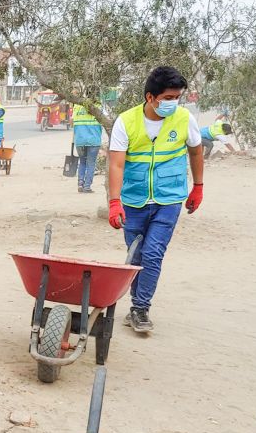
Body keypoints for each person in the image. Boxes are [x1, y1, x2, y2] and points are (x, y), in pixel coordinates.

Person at [107, 66, 204, 333]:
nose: (174, 103)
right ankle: (137, 304)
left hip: (169, 199)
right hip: (134, 201)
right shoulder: (125, 121)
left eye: (177, 98)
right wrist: (114, 203)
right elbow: (116, 164)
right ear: (151, 97)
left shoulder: (185, 119)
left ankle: (140, 308)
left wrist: (198, 187)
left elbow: (196, 153)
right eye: (168, 98)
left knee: (153, 254)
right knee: (136, 255)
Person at [71, 102, 103, 193]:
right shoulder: (98, 106)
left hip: (80, 140)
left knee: (82, 162)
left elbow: (71, 121)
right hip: (93, 140)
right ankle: (87, 186)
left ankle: (80, 183)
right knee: (91, 163)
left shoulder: (77, 105)